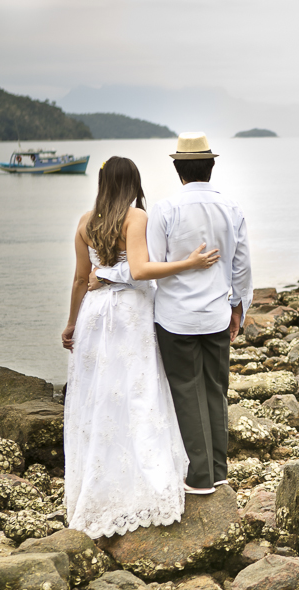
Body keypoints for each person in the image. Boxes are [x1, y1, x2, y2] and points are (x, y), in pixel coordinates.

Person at [61, 156, 220, 538]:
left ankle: (97, 484)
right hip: (129, 313)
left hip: (95, 315)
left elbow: (82, 279)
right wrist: (190, 263)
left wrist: (70, 323)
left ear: (101, 183)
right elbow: (139, 270)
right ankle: (144, 479)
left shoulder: (85, 222)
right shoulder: (136, 218)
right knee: (138, 391)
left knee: (98, 396)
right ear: (134, 183)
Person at [94, 132, 253, 495]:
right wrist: (237, 309)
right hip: (215, 314)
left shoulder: (164, 210)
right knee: (216, 389)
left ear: (178, 168)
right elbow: (242, 267)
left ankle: (199, 478)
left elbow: (146, 269)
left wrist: (104, 274)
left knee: (186, 390)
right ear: (210, 167)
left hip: (175, 318)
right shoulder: (233, 208)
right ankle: (219, 469)